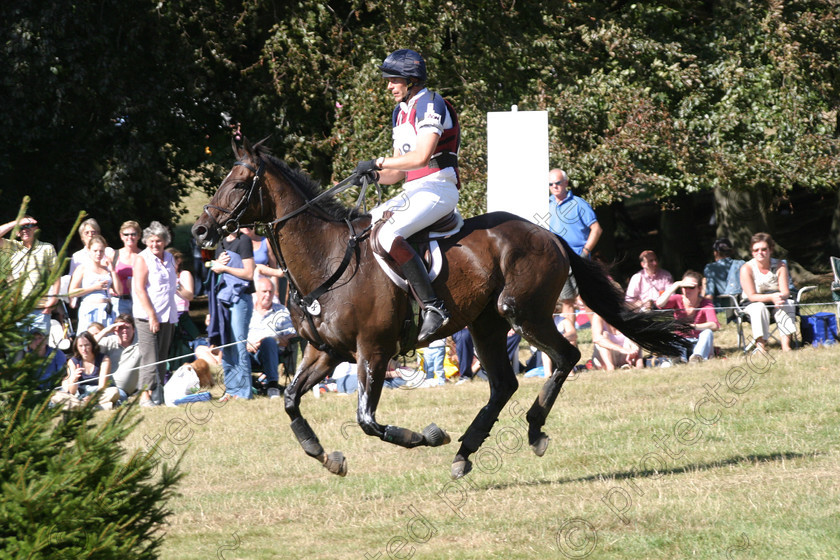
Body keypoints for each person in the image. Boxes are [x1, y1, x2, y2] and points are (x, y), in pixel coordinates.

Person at [353, 48, 461, 343]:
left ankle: (434, 307)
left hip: (439, 186)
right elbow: (398, 172)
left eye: (393, 80)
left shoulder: (430, 102)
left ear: (411, 79)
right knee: (362, 230)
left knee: (388, 234)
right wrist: (371, 174)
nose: (388, 86)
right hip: (414, 189)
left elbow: (422, 156)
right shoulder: (400, 112)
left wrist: (379, 162)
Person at [546, 168, 602, 347]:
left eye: (558, 183)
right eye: (551, 184)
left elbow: (596, 229)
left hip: (580, 260)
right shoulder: (546, 205)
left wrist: (585, 253)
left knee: (588, 301)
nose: (555, 187)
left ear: (566, 183)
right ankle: (571, 345)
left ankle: (599, 342)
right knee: (567, 302)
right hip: (559, 262)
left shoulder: (579, 204)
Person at [132, 221, 178, 406]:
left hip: (167, 313)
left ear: (165, 241)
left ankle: (157, 394)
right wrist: (151, 315)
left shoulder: (170, 257)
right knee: (149, 357)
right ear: (146, 241)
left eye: (158, 241)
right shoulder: (142, 259)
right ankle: (144, 396)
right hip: (147, 316)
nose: (155, 244)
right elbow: (139, 289)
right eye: (151, 241)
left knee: (161, 356)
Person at [209, 228, 255, 401]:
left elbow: (249, 273)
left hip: (240, 298)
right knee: (226, 342)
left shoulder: (244, 241)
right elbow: (216, 269)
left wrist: (223, 268)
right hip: (224, 298)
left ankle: (244, 392)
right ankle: (231, 388)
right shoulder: (220, 242)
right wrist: (216, 265)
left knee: (239, 343)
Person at [0, 215, 61, 333]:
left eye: (29, 226)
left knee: (40, 349)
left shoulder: (47, 248)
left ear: (36, 229)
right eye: (22, 228)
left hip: (41, 310)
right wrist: (17, 222)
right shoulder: (12, 247)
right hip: (17, 311)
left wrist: (54, 299)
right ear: (17, 232)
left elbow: (56, 275)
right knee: (19, 350)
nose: (25, 230)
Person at [739, 232, 797, 352]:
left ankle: (786, 346)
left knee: (787, 304)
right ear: (752, 252)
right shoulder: (747, 268)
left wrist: (780, 298)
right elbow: (751, 296)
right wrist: (772, 297)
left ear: (770, 250)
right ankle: (761, 347)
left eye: (764, 249)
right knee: (758, 308)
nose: (760, 252)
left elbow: (785, 291)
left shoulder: (780, 265)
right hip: (752, 302)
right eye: (756, 250)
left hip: (776, 299)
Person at [247, 277, 296, 399]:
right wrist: (246, 344)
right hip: (249, 352)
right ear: (256, 293)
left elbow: (291, 334)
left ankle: (272, 385)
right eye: (264, 292)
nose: (268, 295)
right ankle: (242, 386)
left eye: (270, 292)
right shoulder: (247, 310)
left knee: (268, 342)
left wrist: (274, 340)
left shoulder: (281, 311)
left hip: (273, 352)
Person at [656, 270, 720, 362]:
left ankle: (697, 358)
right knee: (672, 336)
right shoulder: (677, 298)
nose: (687, 290)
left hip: (699, 343)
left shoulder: (706, 303)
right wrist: (675, 285)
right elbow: (660, 303)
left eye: (691, 287)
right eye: (684, 287)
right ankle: (680, 359)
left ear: (699, 288)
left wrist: (693, 327)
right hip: (681, 341)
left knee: (707, 333)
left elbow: (714, 325)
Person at [50, 331, 120, 410]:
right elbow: (72, 391)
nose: (84, 349)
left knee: (114, 391)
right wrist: (74, 379)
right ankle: (98, 407)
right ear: (76, 347)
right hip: (79, 395)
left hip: (98, 393)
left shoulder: (104, 359)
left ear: (92, 345)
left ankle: (80, 407)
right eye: (80, 346)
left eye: (87, 345)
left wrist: (93, 397)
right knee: (57, 396)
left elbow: (102, 386)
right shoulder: (73, 361)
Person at [69, 234, 120, 333]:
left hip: (106, 310)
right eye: (95, 251)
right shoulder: (82, 268)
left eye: (101, 251)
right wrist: (94, 288)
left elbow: (119, 290)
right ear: (89, 251)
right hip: (90, 309)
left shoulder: (107, 269)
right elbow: (71, 292)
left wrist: (113, 271)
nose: (98, 254)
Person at [94, 313, 141, 399]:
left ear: (134, 329)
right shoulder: (109, 341)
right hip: (101, 386)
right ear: (115, 330)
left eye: (127, 327)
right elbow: (86, 347)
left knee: (117, 397)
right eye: (121, 328)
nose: (124, 331)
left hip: (121, 392)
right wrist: (105, 331)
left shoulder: (140, 344)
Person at [703, 237, 745, 310]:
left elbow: (710, 294)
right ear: (731, 251)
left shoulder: (710, 268)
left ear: (716, 253)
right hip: (741, 305)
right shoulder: (742, 264)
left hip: (721, 308)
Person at [112, 220, 142, 316]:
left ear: (139, 236)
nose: (130, 237)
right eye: (126, 234)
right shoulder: (114, 255)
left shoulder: (144, 255)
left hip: (139, 301)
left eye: (133, 234)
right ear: (121, 236)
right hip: (119, 301)